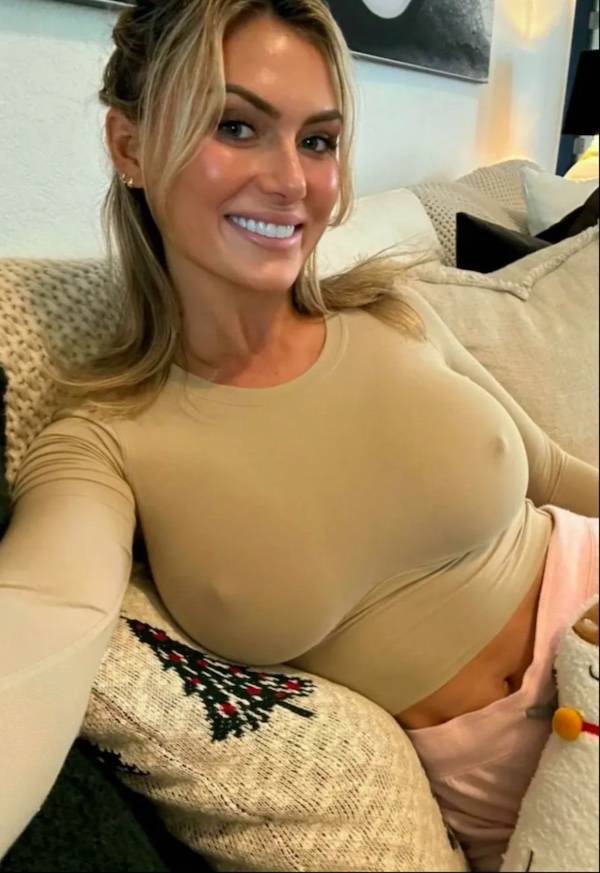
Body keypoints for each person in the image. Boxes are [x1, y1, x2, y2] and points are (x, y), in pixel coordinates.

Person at [0, 0, 597, 869]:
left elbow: (551, 467)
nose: (291, 181)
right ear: (129, 147)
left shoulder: (391, 313)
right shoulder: (105, 441)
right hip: (524, 788)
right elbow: (41, 623)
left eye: (317, 141)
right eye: (237, 127)